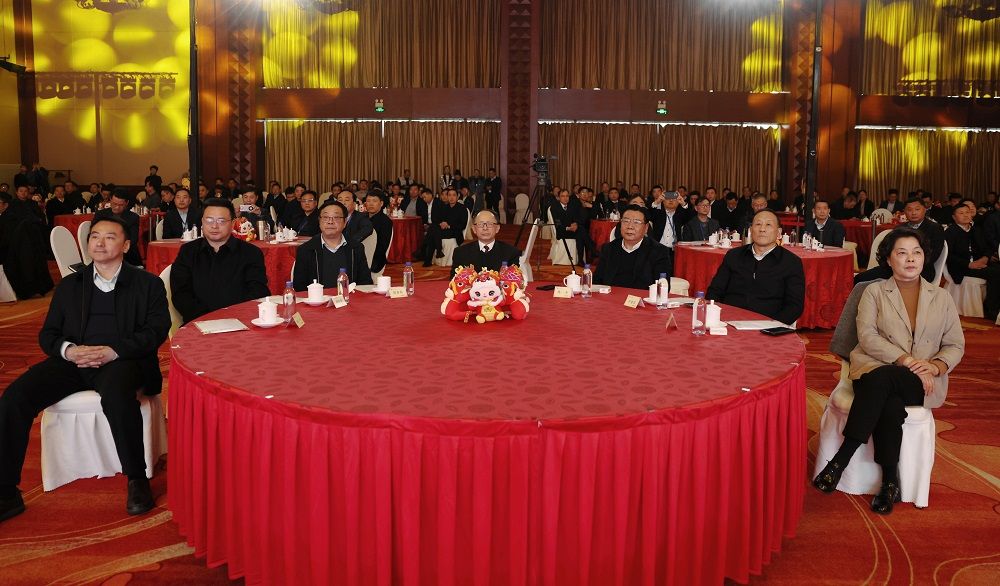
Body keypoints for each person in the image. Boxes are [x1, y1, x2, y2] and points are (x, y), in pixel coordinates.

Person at [0, 217, 170, 523]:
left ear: (126, 245)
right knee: (15, 397)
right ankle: (5, 490)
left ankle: (136, 479)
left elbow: (155, 331)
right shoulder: (70, 285)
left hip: (122, 360)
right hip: (74, 361)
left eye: (109, 237)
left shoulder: (147, 284)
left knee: (117, 395)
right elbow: (48, 334)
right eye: (94, 237)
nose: (100, 243)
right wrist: (70, 351)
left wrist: (112, 351)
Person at [813, 228, 964, 514]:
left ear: (925, 258)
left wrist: (935, 366)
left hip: (922, 380)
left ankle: (841, 459)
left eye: (916, 253)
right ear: (889, 259)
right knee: (889, 403)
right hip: (874, 369)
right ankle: (890, 483)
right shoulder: (874, 291)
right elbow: (867, 337)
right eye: (902, 253)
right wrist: (906, 361)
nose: (911, 259)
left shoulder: (941, 297)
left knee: (882, 382)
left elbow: (955, 344)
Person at [169, 198, 269, 323]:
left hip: (240, 322)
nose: (214, 226)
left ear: (233, 223)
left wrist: (233, 317)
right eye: (209, 220)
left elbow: (258, 292)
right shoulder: (188, 252)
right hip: (198, 322)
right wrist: (208, 318)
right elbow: (180, 294)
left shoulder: (251, 253)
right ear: (202, 222)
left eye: (221, 221)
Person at [706, 209, 805, 325]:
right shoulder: (734, 256)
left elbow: (794, 306)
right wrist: (718, 318)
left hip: (768, 326)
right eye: (758, 224)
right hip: (728, 323)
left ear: (779, 233)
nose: (762, 229)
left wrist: (771, 325)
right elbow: (715, 292)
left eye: (768, 224)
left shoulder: (791, 262)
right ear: (751, 230)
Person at [855, 197, 945, 284]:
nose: (913, 213)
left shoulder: (935, 228)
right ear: (904, 212)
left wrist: (906, 263)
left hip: (921, 270)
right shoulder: (900, 228)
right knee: (859, 278)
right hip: (894, 267)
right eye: (909, 210)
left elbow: (933, 255)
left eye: (917, 209)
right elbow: (887, 249)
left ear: (924, 210)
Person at [292, 200, 372, 290]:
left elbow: (365, 283)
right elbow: (299, 288)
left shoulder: (356, 248)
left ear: (345, 222)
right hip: (317, 298)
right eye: (325, 217)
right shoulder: (306, 249)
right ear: (319, 221)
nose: (330, 222)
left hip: (350, 297)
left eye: (336, 217)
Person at [943, 200, 1000, 321]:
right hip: (961, 267)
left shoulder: (976, 230)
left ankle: (994, 305)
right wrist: (969, 264)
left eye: (967, 212)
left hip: (979, 264)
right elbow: (948, 256)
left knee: (997, 268)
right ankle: (991, 310)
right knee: (995, 273)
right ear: (954, 217)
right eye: (961, 213)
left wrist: (984, 259)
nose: (965, 215)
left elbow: (988, 248)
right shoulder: (950, 232)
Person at [593, 205, 672, 290]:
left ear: (646, 228)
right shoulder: (609, 249)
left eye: (636, 222)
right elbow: (597, 282)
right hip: (611, 296)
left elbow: (663, 287)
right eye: (626, 221)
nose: (630, 226)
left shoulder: (659, 251)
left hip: (641, 298)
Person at [452, 210, 520, 273]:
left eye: (489, 224)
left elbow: (515, 279)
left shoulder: (511, 252)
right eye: (480, 224)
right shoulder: (460, 253)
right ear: (474, 229)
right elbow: (454, 279)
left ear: (497, 228)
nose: (485, 228)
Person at [420, 188, 467, 266]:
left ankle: (427, 257)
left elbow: (462, 225)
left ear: (458, 196)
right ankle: (437, 251)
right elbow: (438, 220)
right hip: (443, 230)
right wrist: (441, 223)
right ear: (447, 197)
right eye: (449, 195)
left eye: (454, 195)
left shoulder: (462, 208)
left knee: (433, 232)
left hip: (455, 232)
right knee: (433, 228)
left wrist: (449, 225)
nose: (451, 197)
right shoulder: (445, 207)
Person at [95, 192, 143, 267]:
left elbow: (133, 239)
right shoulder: (100, 215)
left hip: (126, 254)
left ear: (126, 203)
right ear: (110, 200)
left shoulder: (133, 217)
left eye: (121, 205)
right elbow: (94, 234)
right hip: (103, 250)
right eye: (114, 204)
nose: (117, 207)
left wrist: (116, 249)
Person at [364, 192, 393, 274]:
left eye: (374, 201)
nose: (371, 204)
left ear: (381, 203)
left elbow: (382, 247)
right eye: (368, 201)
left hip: (375, 259)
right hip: (361, 254)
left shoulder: (385, 221)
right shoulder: (362, 218)